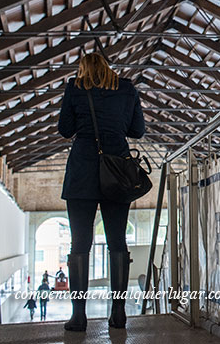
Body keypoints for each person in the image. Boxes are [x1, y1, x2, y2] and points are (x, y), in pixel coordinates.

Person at [58, 53, 145, 332]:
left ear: (83, 69)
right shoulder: (127, 88)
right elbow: (138, 130)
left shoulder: (75, 87)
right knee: (117, 242)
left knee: (80, 243)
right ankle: (118, 314)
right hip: (117, 172)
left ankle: (78, 316)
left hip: (82, 172)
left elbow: (65, 130)